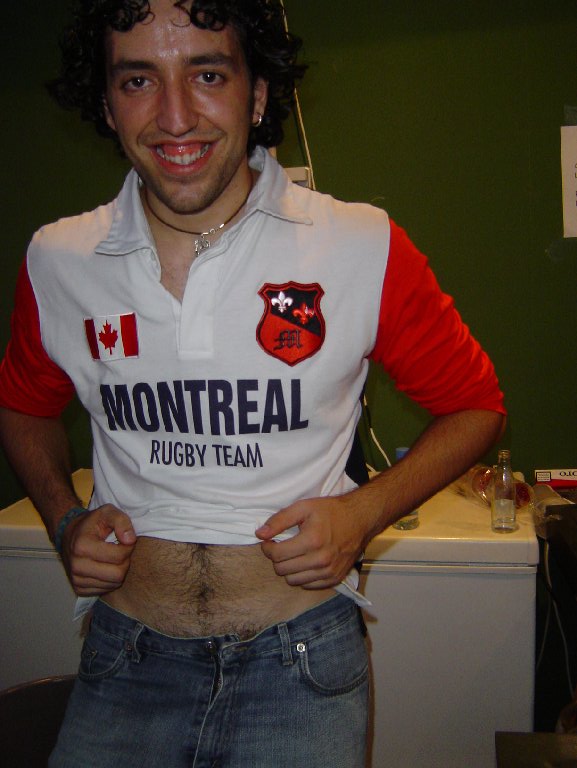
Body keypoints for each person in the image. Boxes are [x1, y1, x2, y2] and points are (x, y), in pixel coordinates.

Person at [0, 0, 506, 765]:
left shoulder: (360, 243)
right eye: (138, 80)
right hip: (125, 663)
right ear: (105, 103)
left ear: (258, 93)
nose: (175, 116)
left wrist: (361, 513)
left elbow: (474, 406)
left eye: (207, 74)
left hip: (300, 667)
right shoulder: (58, 259)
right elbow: (21, 407)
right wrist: (64, 521)